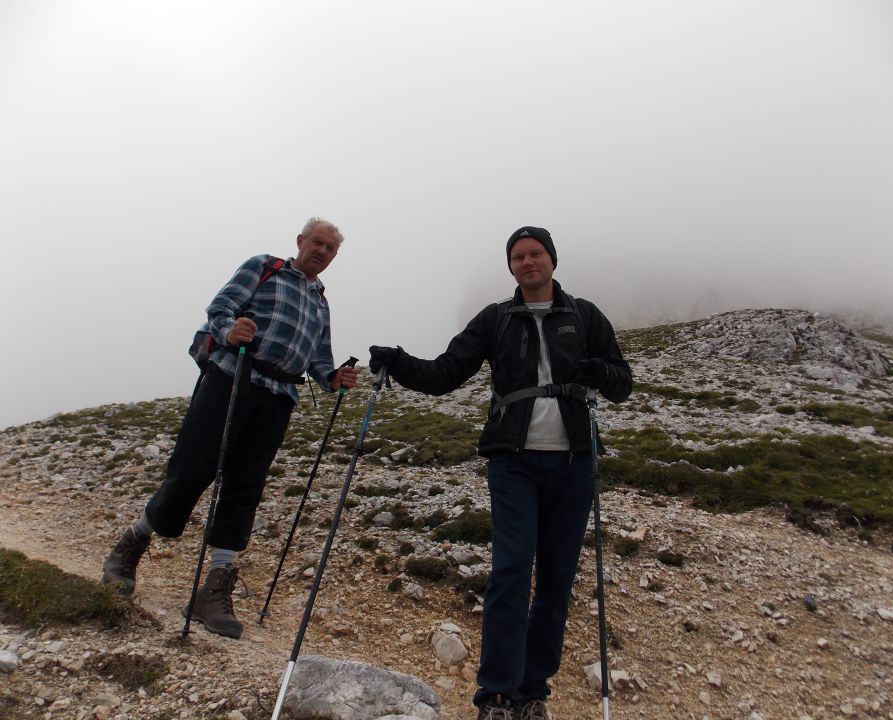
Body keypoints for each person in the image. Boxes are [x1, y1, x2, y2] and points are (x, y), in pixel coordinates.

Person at [369, 227, 632, 720]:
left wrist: (598, 371)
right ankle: (495, 695)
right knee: (511, 574)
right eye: (518, 257)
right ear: (511, 267)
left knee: (556, 582)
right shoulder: (496, 319)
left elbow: (623, 383)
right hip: (514, 463)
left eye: (535, 254)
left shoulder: (585, 316)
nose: (527, 263)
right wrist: (399, 362)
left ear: (552, 260)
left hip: (575, 464)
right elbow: (446, 373)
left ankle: (533, 693)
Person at [101, 217, 358, 639]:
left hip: (278, 398)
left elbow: (319, 358)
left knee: (245, 486)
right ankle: (132, 542)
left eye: (331, 249)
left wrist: (333, 379)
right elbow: (220, 310)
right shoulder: (264, 267)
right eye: (317, 243)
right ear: (300, 241)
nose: (322, 252)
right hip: (230, 377)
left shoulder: (321, 302)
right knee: (192, 469)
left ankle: (214, 589)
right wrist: (230, 329)